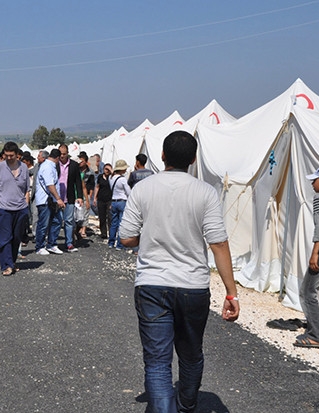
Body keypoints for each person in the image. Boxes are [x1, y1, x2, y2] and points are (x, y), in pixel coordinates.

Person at [119, 130, 240, 413]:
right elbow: (218, 243)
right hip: (193, 285)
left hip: (151, 284)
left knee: (158, 362)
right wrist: (231, 292)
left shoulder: (143, 189)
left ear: (162, 156)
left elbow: (126, 238)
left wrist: (149, 235)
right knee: (190, 354)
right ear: (194, 159)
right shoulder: (205, 192)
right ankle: (186, 405)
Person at [0, 141, 29, 276]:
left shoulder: (23, 167)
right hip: (4, 208)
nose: (9, 158)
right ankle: (6, 265)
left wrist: (26, 203)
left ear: (17, 155)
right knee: (4, 238)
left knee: (16, 237)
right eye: (6, 155)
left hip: (20, 208)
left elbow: (27, 189)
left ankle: (12, 261)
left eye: (11, 155)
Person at [295, 166, 319, 348]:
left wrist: (315, 253)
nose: (312, 183)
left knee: (307, 292)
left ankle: (317, 335)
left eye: (315, 180)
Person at [35, 149, 65, 255]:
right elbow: (50, 185)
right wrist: (58, 199)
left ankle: (52, 244)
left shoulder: (49, 166)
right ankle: (39, 246)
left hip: (51, 200)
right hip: (45, 200)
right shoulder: (48, 167)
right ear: (57, 158)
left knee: (57, 220)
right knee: (43, 223)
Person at [55, 144, 83, 253]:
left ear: (68, 153)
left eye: (64, 154)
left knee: (69, 221)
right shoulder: (54, 164)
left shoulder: (74, 165)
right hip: (56, 198)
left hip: (69, 197)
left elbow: (78, 182)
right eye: (60, 154)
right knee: (56, 221)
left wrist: (79, 196)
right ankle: (52, 242)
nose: (62, 156)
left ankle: (69, 243)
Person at [108, 159, 131, 250]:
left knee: (114, 223)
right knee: (121, 223)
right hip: (122, 201)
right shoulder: (122, 180)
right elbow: (128, 192)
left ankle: (111, 242)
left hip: (113, 201)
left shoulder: (111, 178)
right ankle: (119, 244)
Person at [76, 152, 95, 239]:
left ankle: (83, 229)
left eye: (82, 161)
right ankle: (78, 228)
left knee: (86, 212)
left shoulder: (90, 172)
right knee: (77, 213)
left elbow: (91, 185)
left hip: (86, 193)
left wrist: (89, 196)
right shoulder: (76, 170)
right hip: (77, 193)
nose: (80, 163)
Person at [93, 163, 113, 239]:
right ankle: (103, 233)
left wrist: (111, 171)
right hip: (101, 199)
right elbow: (97, 187)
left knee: (110, 217)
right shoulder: (100, 177)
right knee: (102, 216)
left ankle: (111, 233)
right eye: (106, 169)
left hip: (109, 199)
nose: (107, 171)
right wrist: (95, 198)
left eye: (108, 169)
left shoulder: (111, 177)